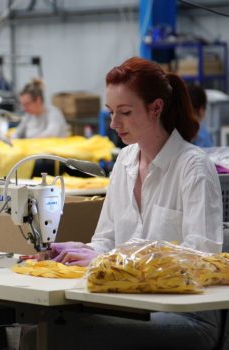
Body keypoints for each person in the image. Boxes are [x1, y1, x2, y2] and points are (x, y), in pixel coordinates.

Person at [24, 57, 223, 349]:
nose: (114, 124)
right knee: (42, 325)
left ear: (156, 108)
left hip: (187, 315)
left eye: (125, 113)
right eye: (111, 113)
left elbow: (201, 259)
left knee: (52, 335)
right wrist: (75, 251)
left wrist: (113, 262)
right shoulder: (126, 161)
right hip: (127, 303)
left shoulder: (192, 167)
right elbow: (106, 240)